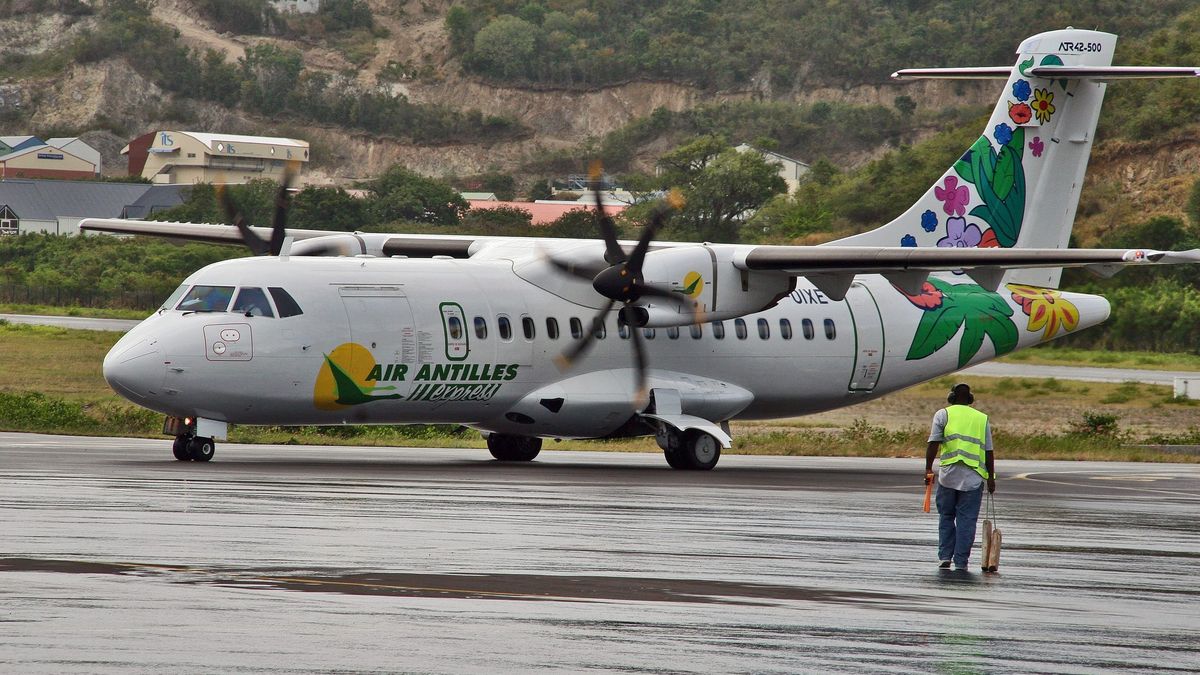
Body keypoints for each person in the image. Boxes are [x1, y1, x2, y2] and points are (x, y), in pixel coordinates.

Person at [925, 382, 995, 571]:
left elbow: (933, 443)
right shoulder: (982, 418)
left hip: (948, 475)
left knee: (946, 516)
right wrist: (991, 477)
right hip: (973, 477)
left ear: (951, 397)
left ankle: (945, 556)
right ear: (971, 399)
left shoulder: (943, 414)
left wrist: (928, 469)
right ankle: (961, 561)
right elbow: (989, 451)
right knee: (967, 520)